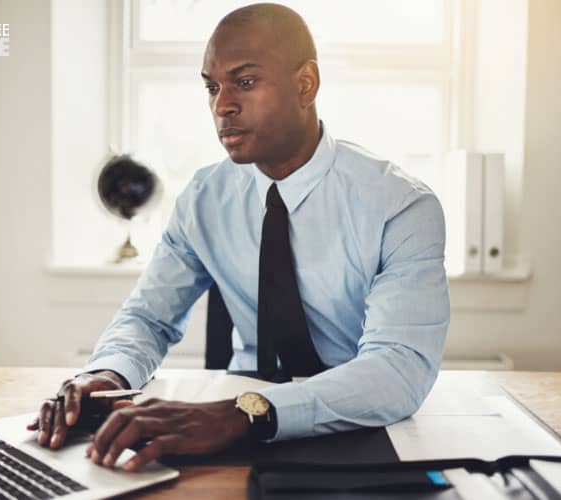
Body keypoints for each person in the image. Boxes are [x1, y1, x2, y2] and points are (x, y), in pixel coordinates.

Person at [30, 3, 450, 472]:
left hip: (360, 428)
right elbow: (149, 317)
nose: (221, 105)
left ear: (305, 84)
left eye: (244, 82)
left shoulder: (401, 206)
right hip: (231, 432)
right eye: (212, 86)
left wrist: (245, 413)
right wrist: (108, 373)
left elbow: (398, 372)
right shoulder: (204, 199)